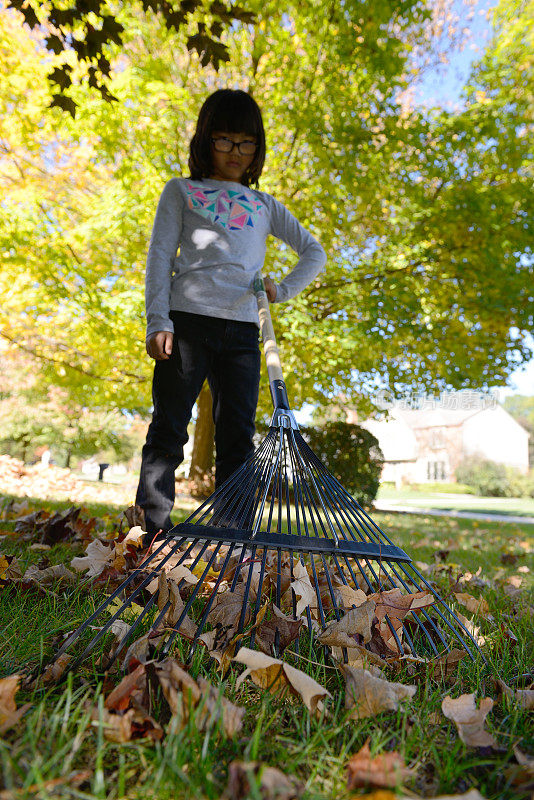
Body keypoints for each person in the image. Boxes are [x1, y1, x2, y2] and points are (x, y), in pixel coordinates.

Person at [136, 88, 326, 537]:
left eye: (246, 142)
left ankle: (233, 536)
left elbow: (312, 251)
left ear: (257, 147)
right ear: (205, 141)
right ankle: (150, 529)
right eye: (223, 140)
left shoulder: (263, 205)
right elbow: (160, 256)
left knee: (237, 436)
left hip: (244, 331)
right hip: (185, 325)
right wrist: (158, 320)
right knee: (169, 428)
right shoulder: (181, 191)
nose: (235, 152)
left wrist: (282, 290)